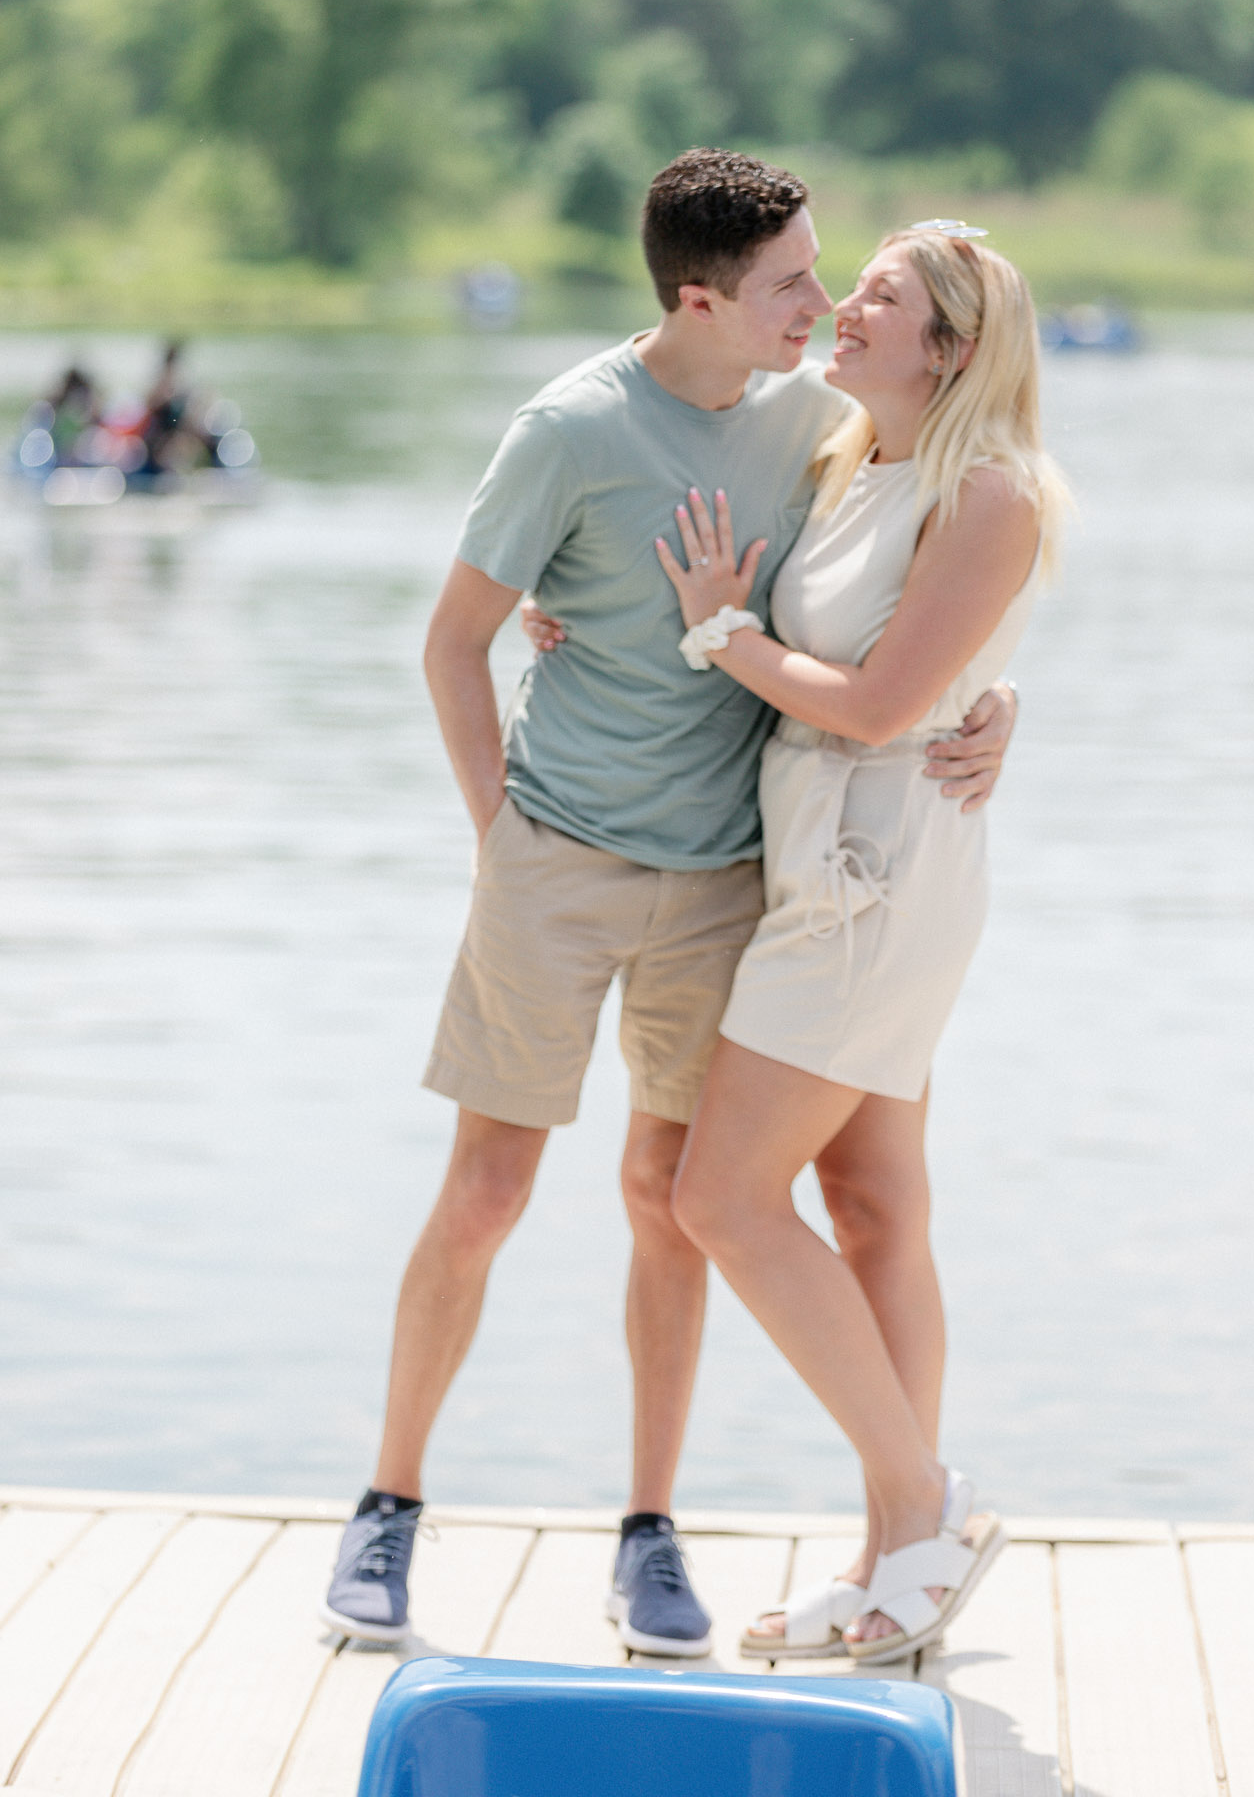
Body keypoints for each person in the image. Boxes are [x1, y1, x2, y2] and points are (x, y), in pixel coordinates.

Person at [321, 152, 1018, 1653]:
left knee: (671, 1205)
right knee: (487, 1197)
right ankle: (388, 1505)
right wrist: (497, 830)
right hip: (555, 859)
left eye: (833, 280)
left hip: (731, 882)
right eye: (789, 286)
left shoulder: (821, 418)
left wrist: (992, 702)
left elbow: (917, 585)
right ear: (697, 298)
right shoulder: (569, 427)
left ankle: (651, 1531)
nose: (821, 306)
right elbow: (456, 643)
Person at [648, 220, 1067, 1662]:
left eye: (877, 297)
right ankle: (902, 1561)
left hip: (879, 880)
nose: (841, 307)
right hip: (829, 865)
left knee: (722, 1198)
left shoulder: (990, 491)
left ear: (947, 347)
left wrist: (723, 635)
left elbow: (887, 704)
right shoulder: (844, 457)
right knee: (876, 1203)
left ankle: (917, 1493)